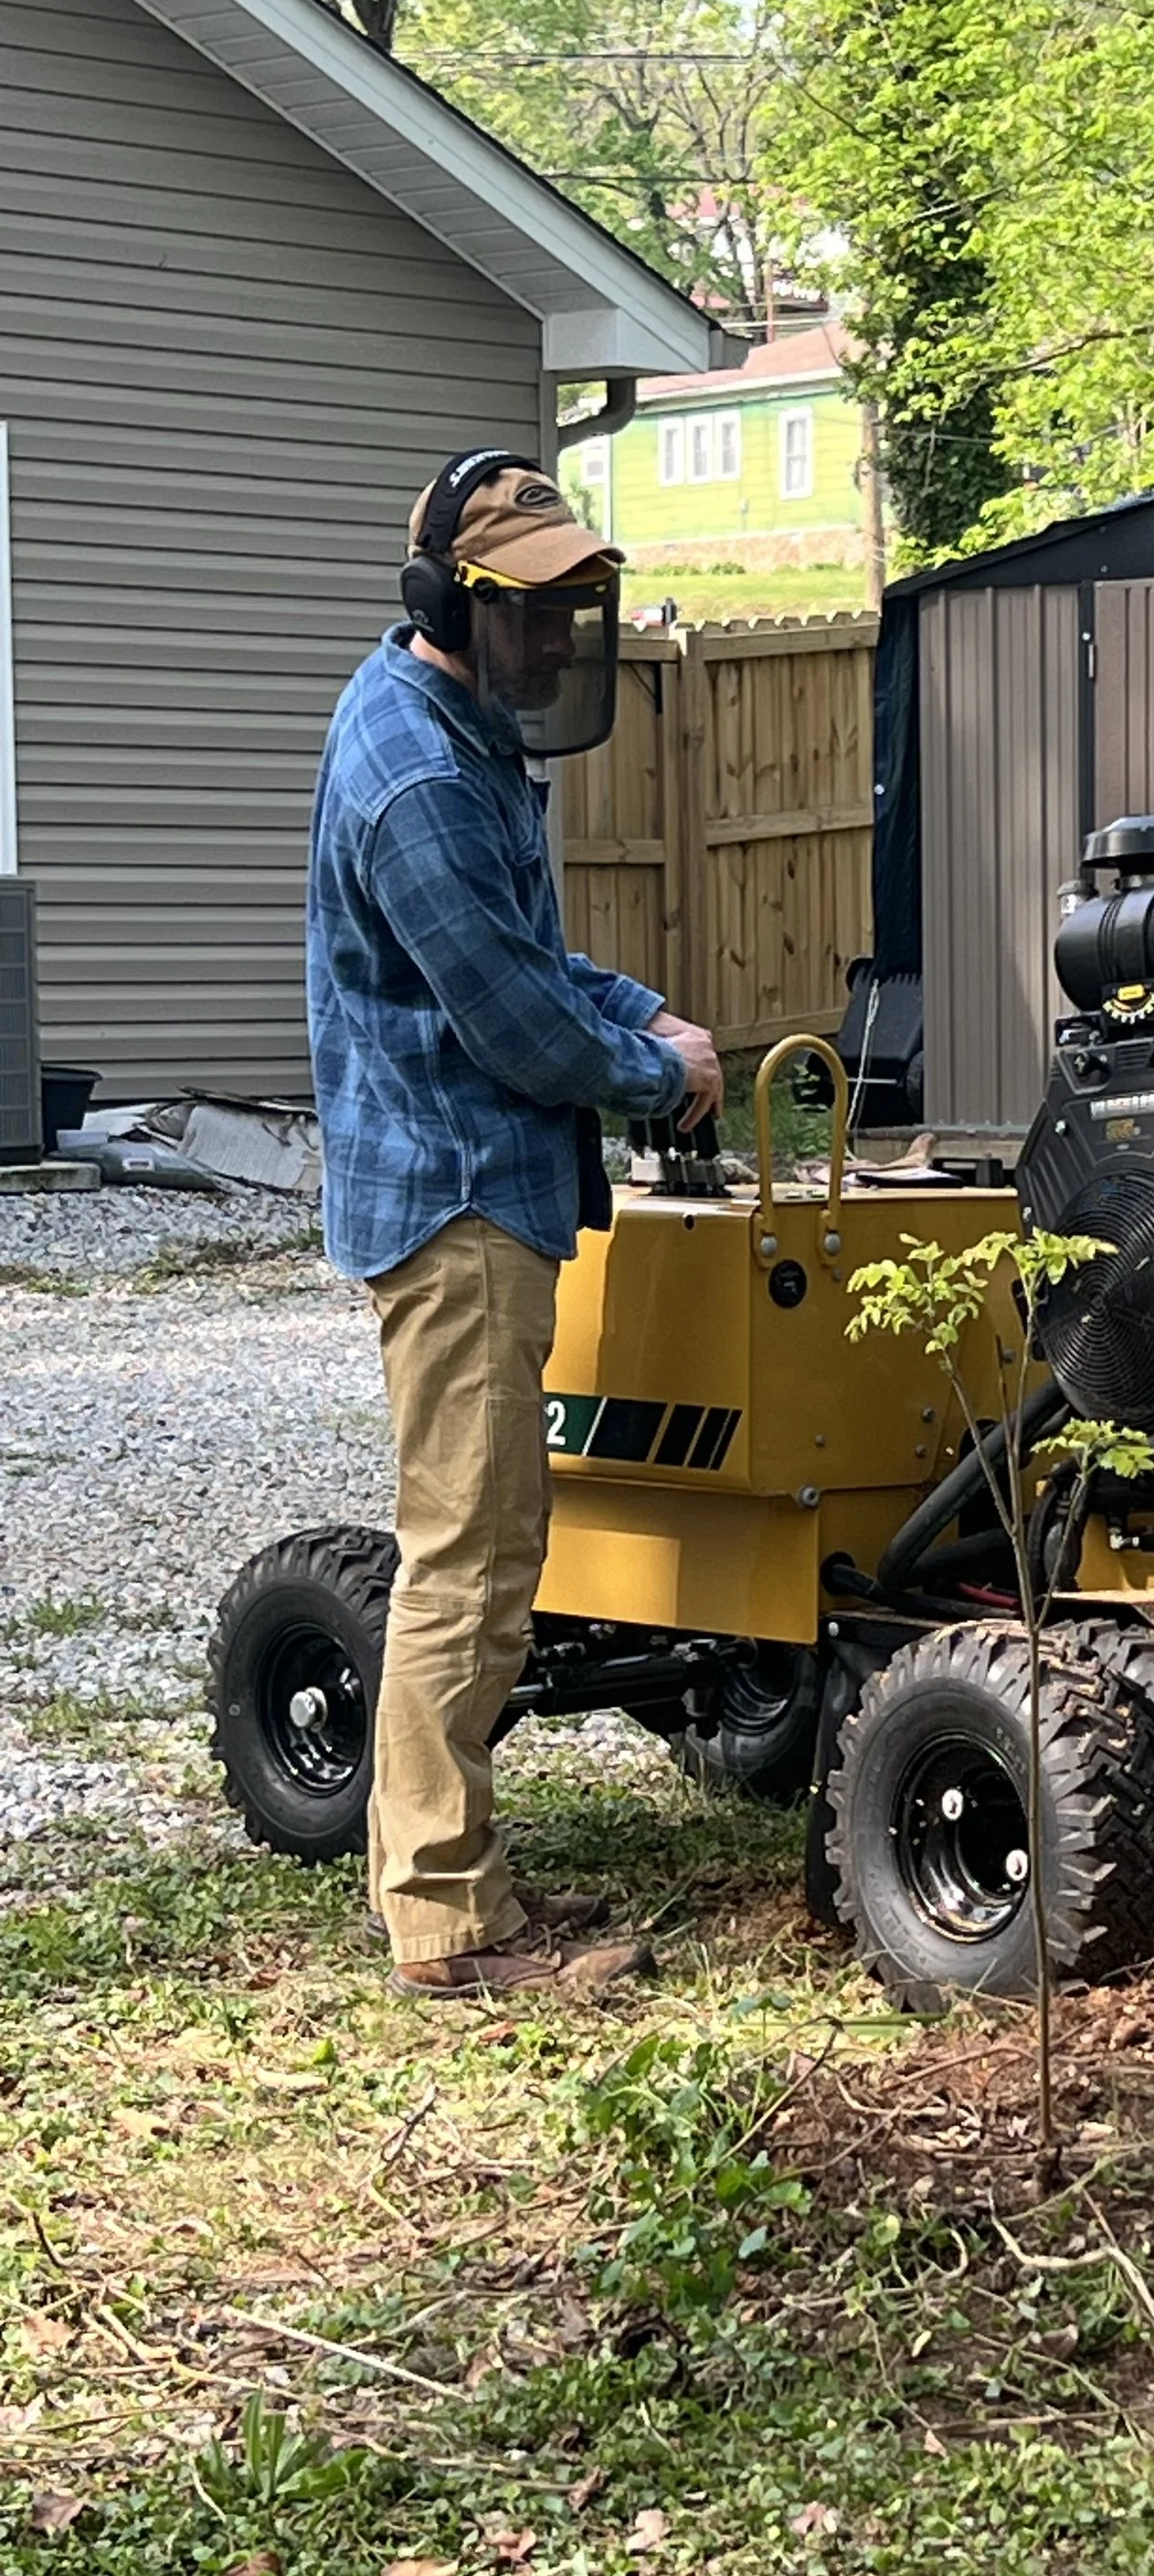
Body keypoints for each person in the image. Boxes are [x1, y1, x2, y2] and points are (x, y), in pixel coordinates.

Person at [306, 447, 724, 2002]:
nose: (557, 643)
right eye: (531, 615)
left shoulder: (457, 737)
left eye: (573, 612)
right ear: (450, 604)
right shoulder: (417, 776)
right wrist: (649, 1072)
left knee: (483, 1546)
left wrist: (643, 1013)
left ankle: (442, 1885)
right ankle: (445, 1921)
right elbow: (508, 1025)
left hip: (482, 1185)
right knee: (471, 1560)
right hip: (462, 1194)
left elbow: (534, 960)